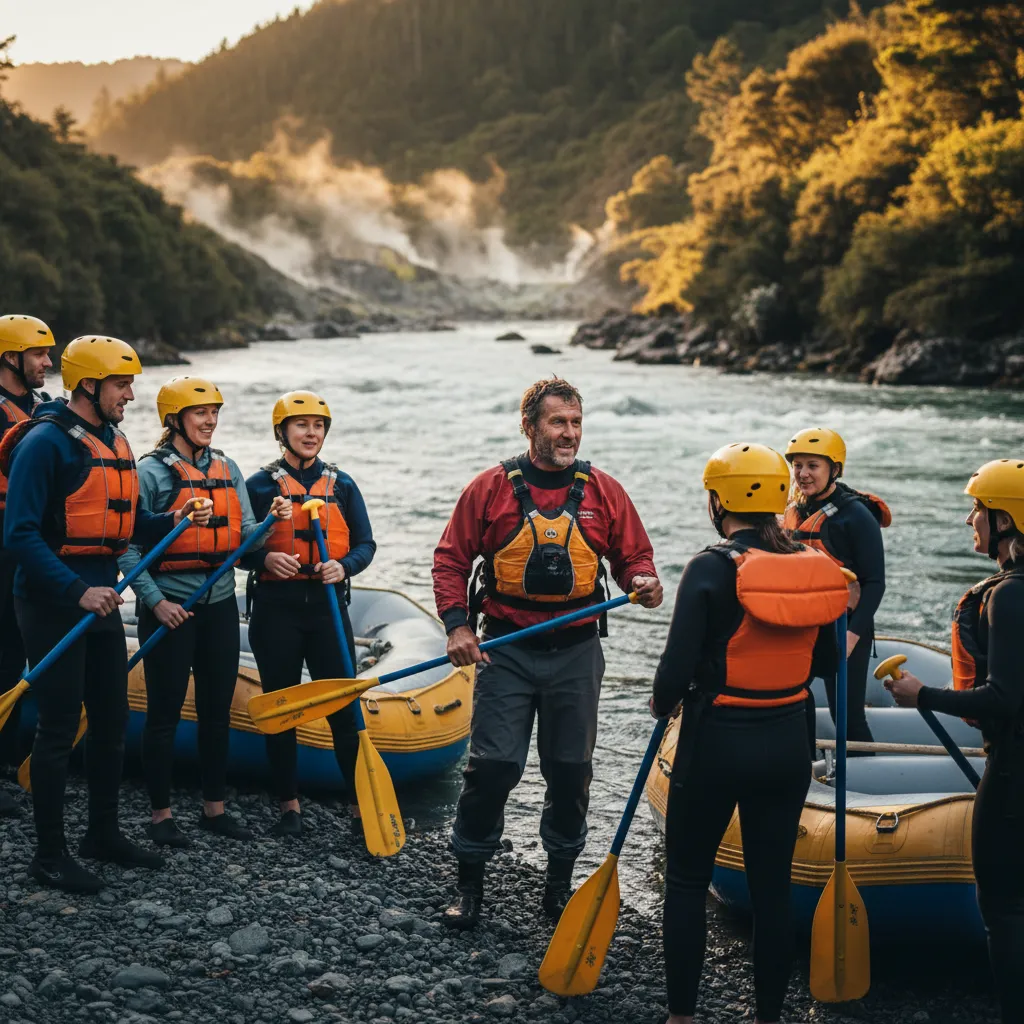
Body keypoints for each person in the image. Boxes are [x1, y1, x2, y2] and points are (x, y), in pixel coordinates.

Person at [433, 376, 662, 930]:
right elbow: (450, 561)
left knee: (570, 772)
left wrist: (645, 579)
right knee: (492, 769)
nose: (569, 433)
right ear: (529, 426)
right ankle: (470, 885)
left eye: (576, 422)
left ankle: (557, 886)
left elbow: (633, 556)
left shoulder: (604, 491)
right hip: (504, 652)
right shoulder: (489, 488)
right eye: (558, 422)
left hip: (577, 653)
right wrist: (457, 627)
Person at [0, 336, 213, 894]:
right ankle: (49, 855)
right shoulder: (46, 443)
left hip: (96, 600)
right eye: (123, 386)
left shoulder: (114, 439)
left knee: (112, 723)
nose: (133, 396)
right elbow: (19, 534)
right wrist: (76, 591)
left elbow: (128, 524)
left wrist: (174, 519)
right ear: (89, 386)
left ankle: (102, 834)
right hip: (51, 602)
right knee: (57, 728)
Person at [650, 442, 847, 1024]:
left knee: (686, 880)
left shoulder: (711, 568)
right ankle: (767, 1018)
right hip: (787, 741)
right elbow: (830, 664)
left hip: (717, 741)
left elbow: (671, 677)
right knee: (771, 888)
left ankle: (682, 1016)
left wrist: (668, 701)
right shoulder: (818, 566)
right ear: (779, 497)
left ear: (718, 502)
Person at [119, 376, 290, 847]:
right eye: (200, 413)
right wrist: (157, 602)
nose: (210, 421)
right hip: (172, 610)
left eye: (215, 412)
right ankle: (161, 815)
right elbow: (128, 547)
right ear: (175, 419)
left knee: (217, 712)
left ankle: (214, 809)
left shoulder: (227, 467)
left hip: (217, 607)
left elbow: (245, 537)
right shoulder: (150, 472)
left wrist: (272, 522)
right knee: (164, 714)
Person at [887, 458, 1024, 1024]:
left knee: (1006, 908)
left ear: (1007, 520)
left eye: (979, 509)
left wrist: (924, 695)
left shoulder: (1009, 596)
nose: (972, 519)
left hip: (1015, 775)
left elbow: (1004, 699)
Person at [244, 390, 376, 837]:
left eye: (318, 425)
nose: (311, 433)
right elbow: (238, 548)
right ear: (282, 432)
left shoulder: (343, 484)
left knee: (343, 709)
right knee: (282, 706)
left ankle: (361, 809)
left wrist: (344, 566)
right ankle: (289, 806)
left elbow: (365, 544)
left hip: (327, 611)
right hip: (275, 610)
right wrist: (263, 560)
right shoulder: (260, 486)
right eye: (301, 425)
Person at [783, 427, 889, 752]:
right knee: (793, 700)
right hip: (801, 624)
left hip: (844, 626)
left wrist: (853, 636)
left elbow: (875, 583)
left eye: (812, 466)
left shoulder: (856, 515)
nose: (802, 474)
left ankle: (868, 786)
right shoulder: (793, 510)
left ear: (834, 469)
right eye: (797, 465)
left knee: (848, 716)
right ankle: (800, 763)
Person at [0, 315, 54, 818]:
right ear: (11, 357)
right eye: (39, 354)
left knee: (16, 655)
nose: (47, 362)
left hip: (29, 550)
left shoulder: (43, 411)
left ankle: (11, 757)